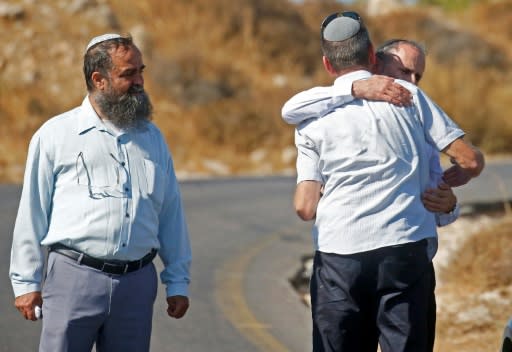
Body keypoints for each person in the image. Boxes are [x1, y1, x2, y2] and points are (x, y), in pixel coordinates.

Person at [286, 11, 484, 352]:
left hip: (340, 257)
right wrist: (460, 177)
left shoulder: (311, 121)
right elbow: (469, 159)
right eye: (406, 71)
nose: (412, 80)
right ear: (373, 56)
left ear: (328, 64)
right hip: (404, 251)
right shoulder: (410, 101)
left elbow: (305, 207)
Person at [9, 33, 192, 352]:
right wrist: (26, 282)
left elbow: (170, 213)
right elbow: (32, 212)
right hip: (72, 279)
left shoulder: (151, 138)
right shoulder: (56, 135)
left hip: (136, 285)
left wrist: (177, 281)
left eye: (141, 70)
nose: (140, 81)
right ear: (99, 79)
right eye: (128, 74)